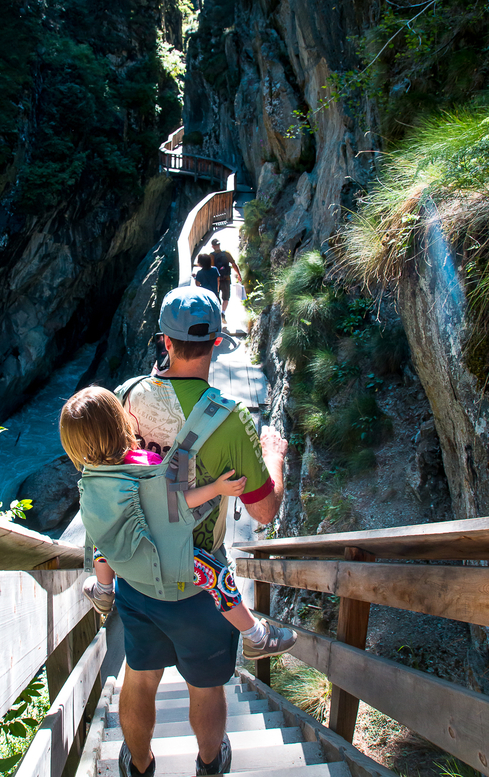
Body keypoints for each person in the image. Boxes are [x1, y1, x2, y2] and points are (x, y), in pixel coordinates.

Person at [112, 287, 289, 777]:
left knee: (140, 676)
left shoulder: (128, 396)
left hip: (138, 570)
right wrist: (274, 455)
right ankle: (210, 764)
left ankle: (140, 764)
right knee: (206, 686)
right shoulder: (230, 422)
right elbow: (264, 512)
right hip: (200, 584)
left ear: (163, 342)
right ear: (216, 343)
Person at [59, 385, 296, 664]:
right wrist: (218, 488)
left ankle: (103, 590)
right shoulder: (146, 465)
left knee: (103, 535)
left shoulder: (90, 478)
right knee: (218, 576)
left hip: (122, 561)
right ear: (120, 421)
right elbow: (180, 501)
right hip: (162, 561)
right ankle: (256, 636)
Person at [210, 238, 242, 322]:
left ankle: (216, 314)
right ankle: (223, 313)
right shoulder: (226, 253)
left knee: (215, 297)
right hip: (226, 279)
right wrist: (239, 274)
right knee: (226, 298)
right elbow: (234, 264)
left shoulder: (211, 256)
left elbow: (209, 268)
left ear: (212, 246)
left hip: (216, 280)